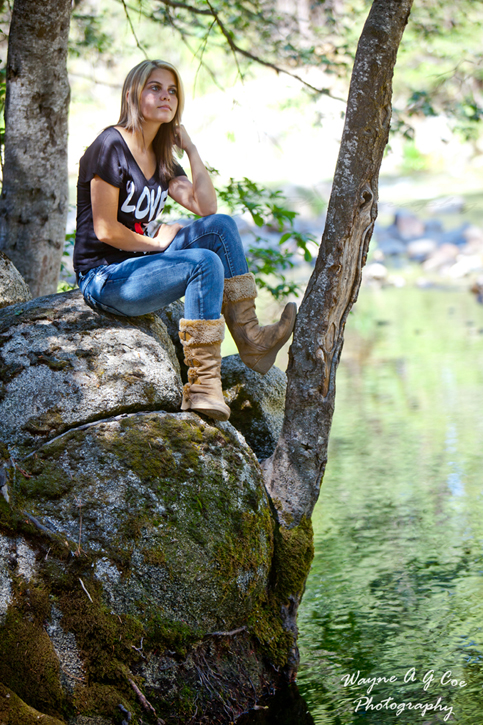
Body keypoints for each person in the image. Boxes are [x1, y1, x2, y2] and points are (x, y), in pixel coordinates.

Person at [74, 59, 296, 422]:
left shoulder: (161, 156)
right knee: (204, 263)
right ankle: (203, 387)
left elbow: (206, 207)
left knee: (220, 227)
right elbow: (105, 231)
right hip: (105, 278)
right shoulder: (110, 146)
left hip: (141, 266)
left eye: (173, 91)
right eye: (155, 88)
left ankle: (251, 339)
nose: (167, 96)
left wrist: (190, 149)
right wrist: (158, 243)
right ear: (133, 94)